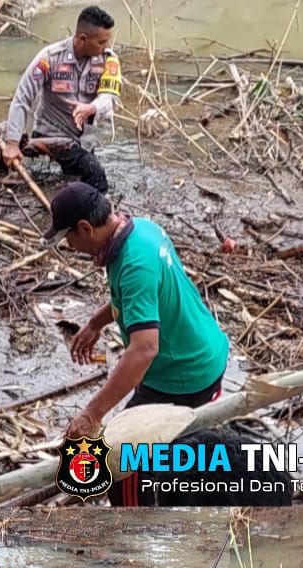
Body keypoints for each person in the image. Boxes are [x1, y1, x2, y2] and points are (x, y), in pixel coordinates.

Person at [43, 182, 230, 505]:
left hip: (183, 374)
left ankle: (133, 528)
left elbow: (144, 349)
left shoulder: (133, 265)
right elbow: (135, 296)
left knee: (123, 464)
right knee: (180, 449)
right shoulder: (140, 230)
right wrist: (96, 322)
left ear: (85, 228)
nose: (70, 246)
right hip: (205, 353)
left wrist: (92, 414)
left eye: (68, 238)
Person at [2, 6, 120, 193]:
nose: (106, 47)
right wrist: (12, 143)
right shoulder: (49, 59)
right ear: (83, 39)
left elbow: (110, 97)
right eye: (101, 42)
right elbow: (23, 97)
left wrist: (92, 107)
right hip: (51, 138)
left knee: (78, 185)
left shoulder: (108, 60)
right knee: (96, 176)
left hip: (84, 143)